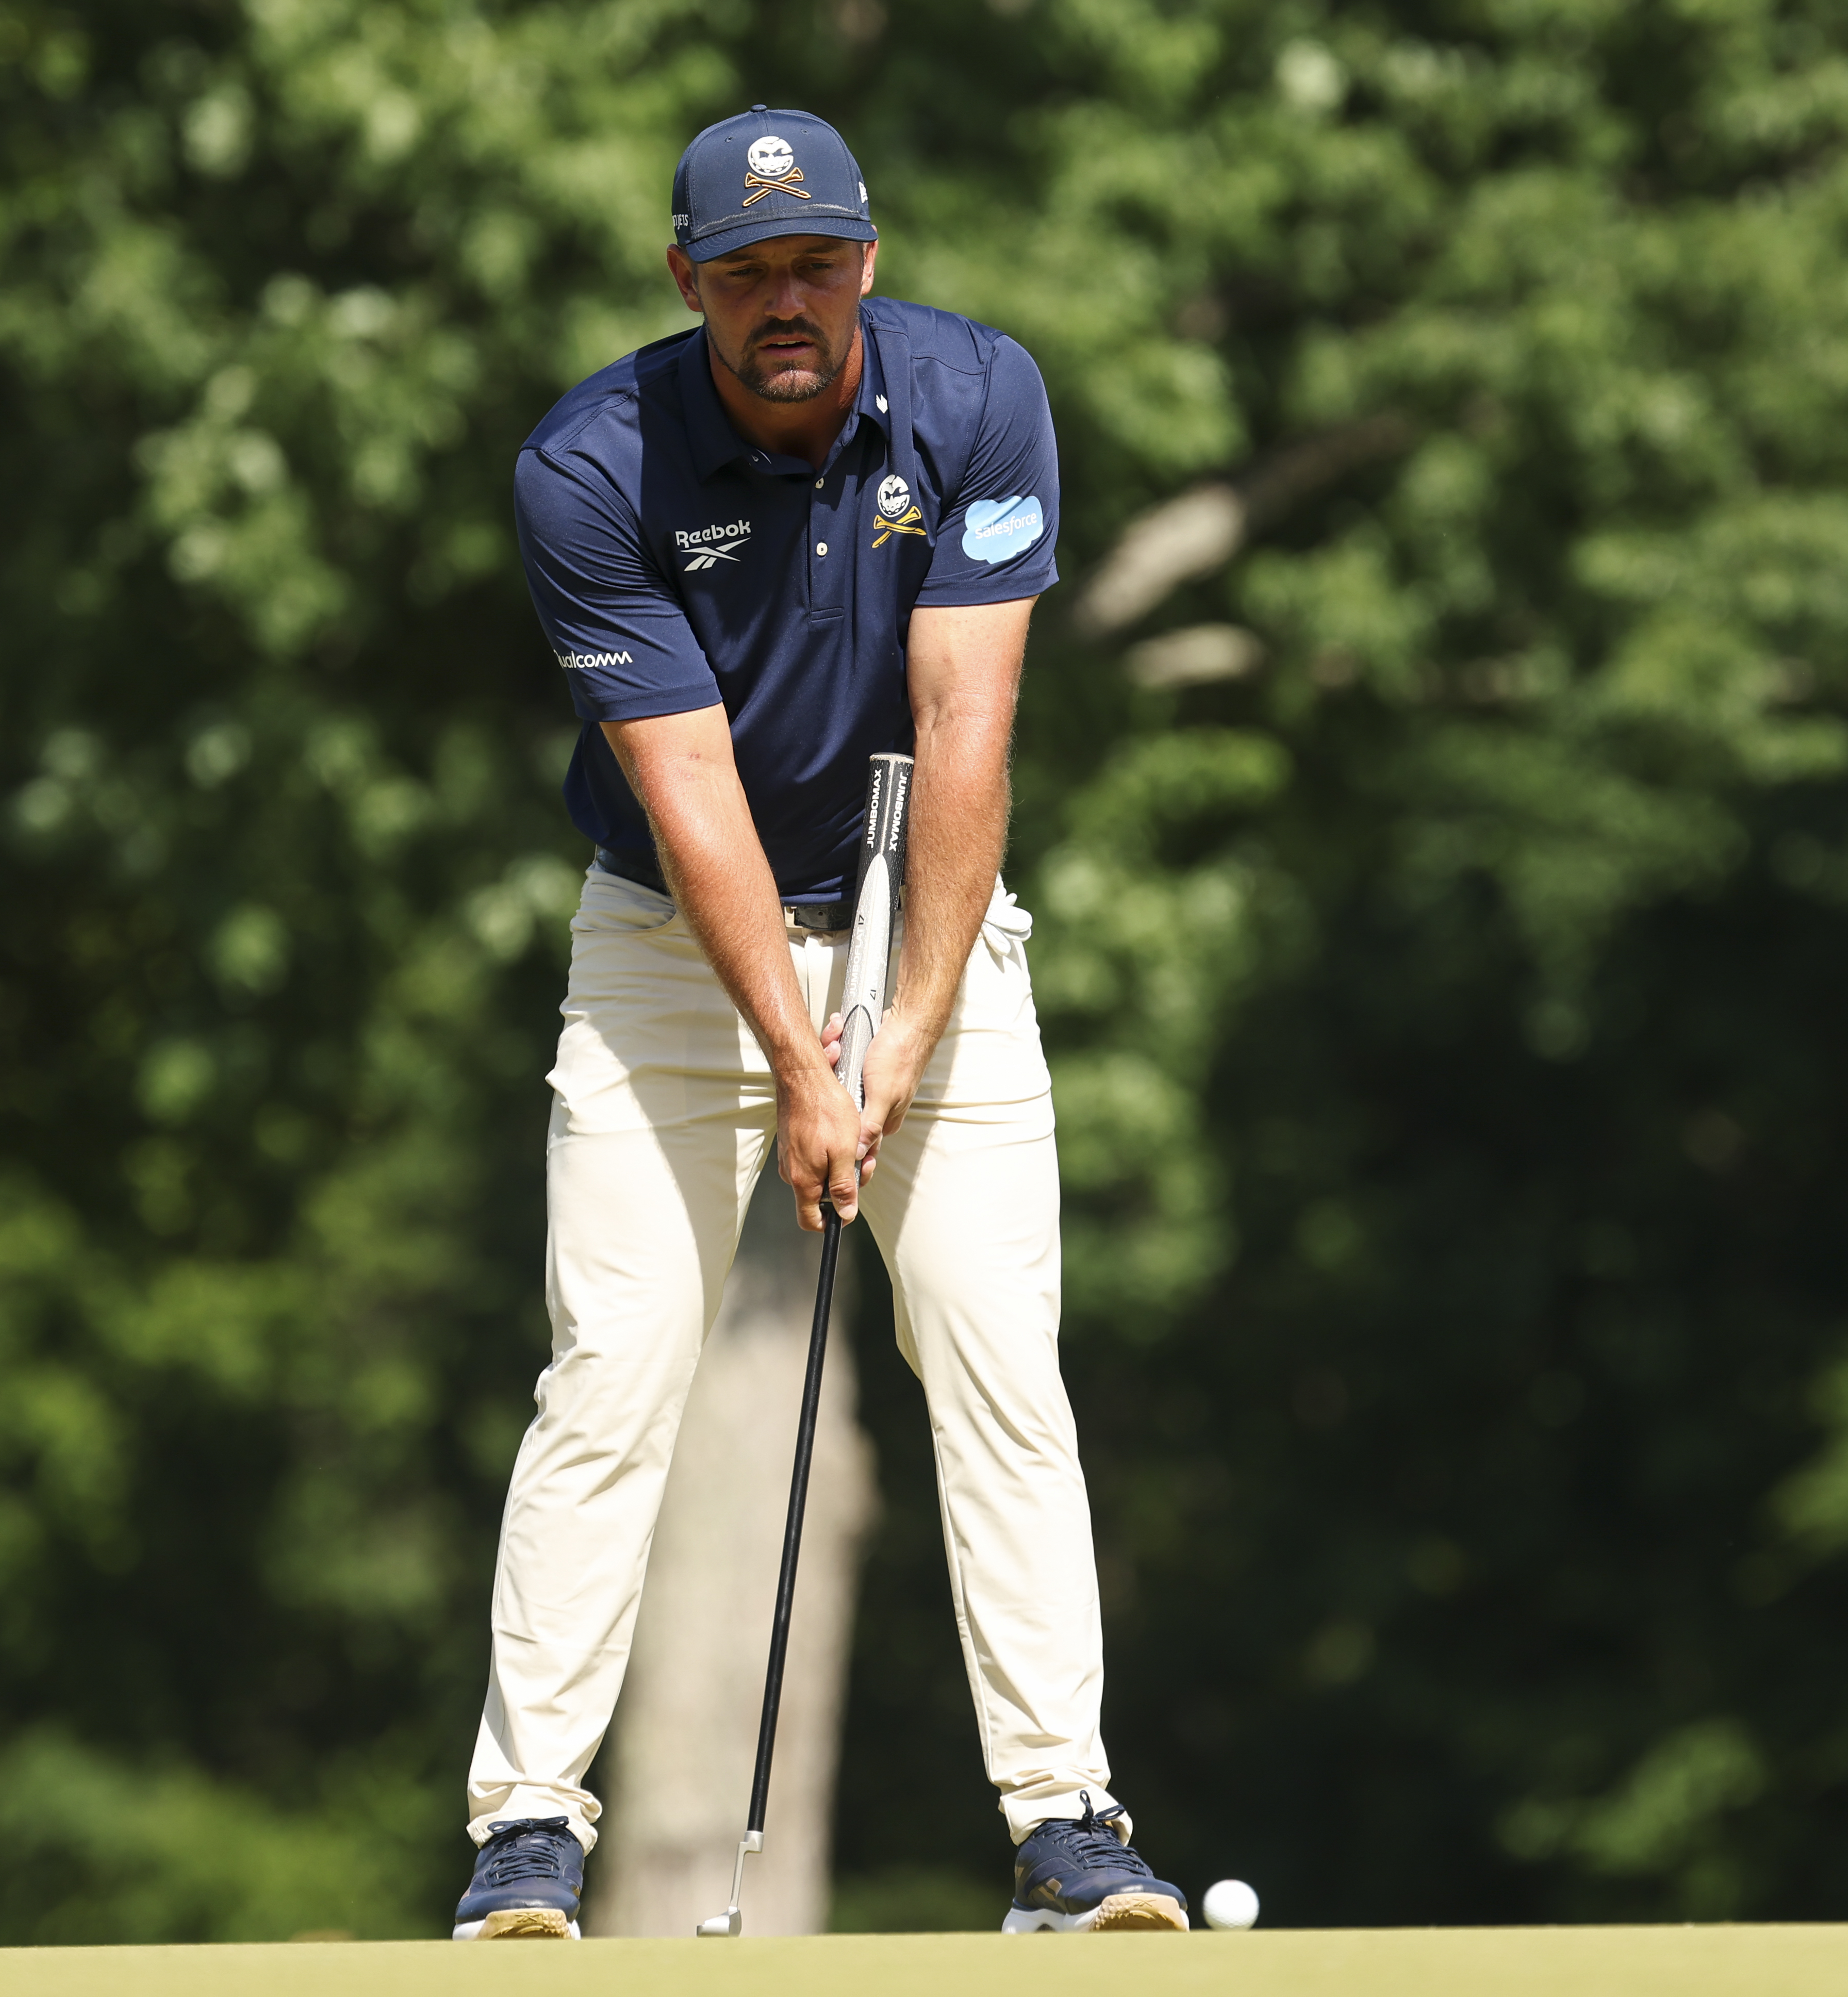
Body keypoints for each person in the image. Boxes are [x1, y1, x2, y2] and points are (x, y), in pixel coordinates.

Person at [447, 106, 1190, 1942]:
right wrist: (799, 1064)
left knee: (997, 1356)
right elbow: (690, 801)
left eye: (821, 262)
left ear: (868, 256)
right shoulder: (587, 464)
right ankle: (524, 1830)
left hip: (915, 912)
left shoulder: (976, 397)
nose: (790, 300)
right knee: (609, 1366)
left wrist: (902, 1034)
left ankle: (1065, 1826)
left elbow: (969, 736)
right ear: (684, 276)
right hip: (665, 943)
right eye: (749, 269)